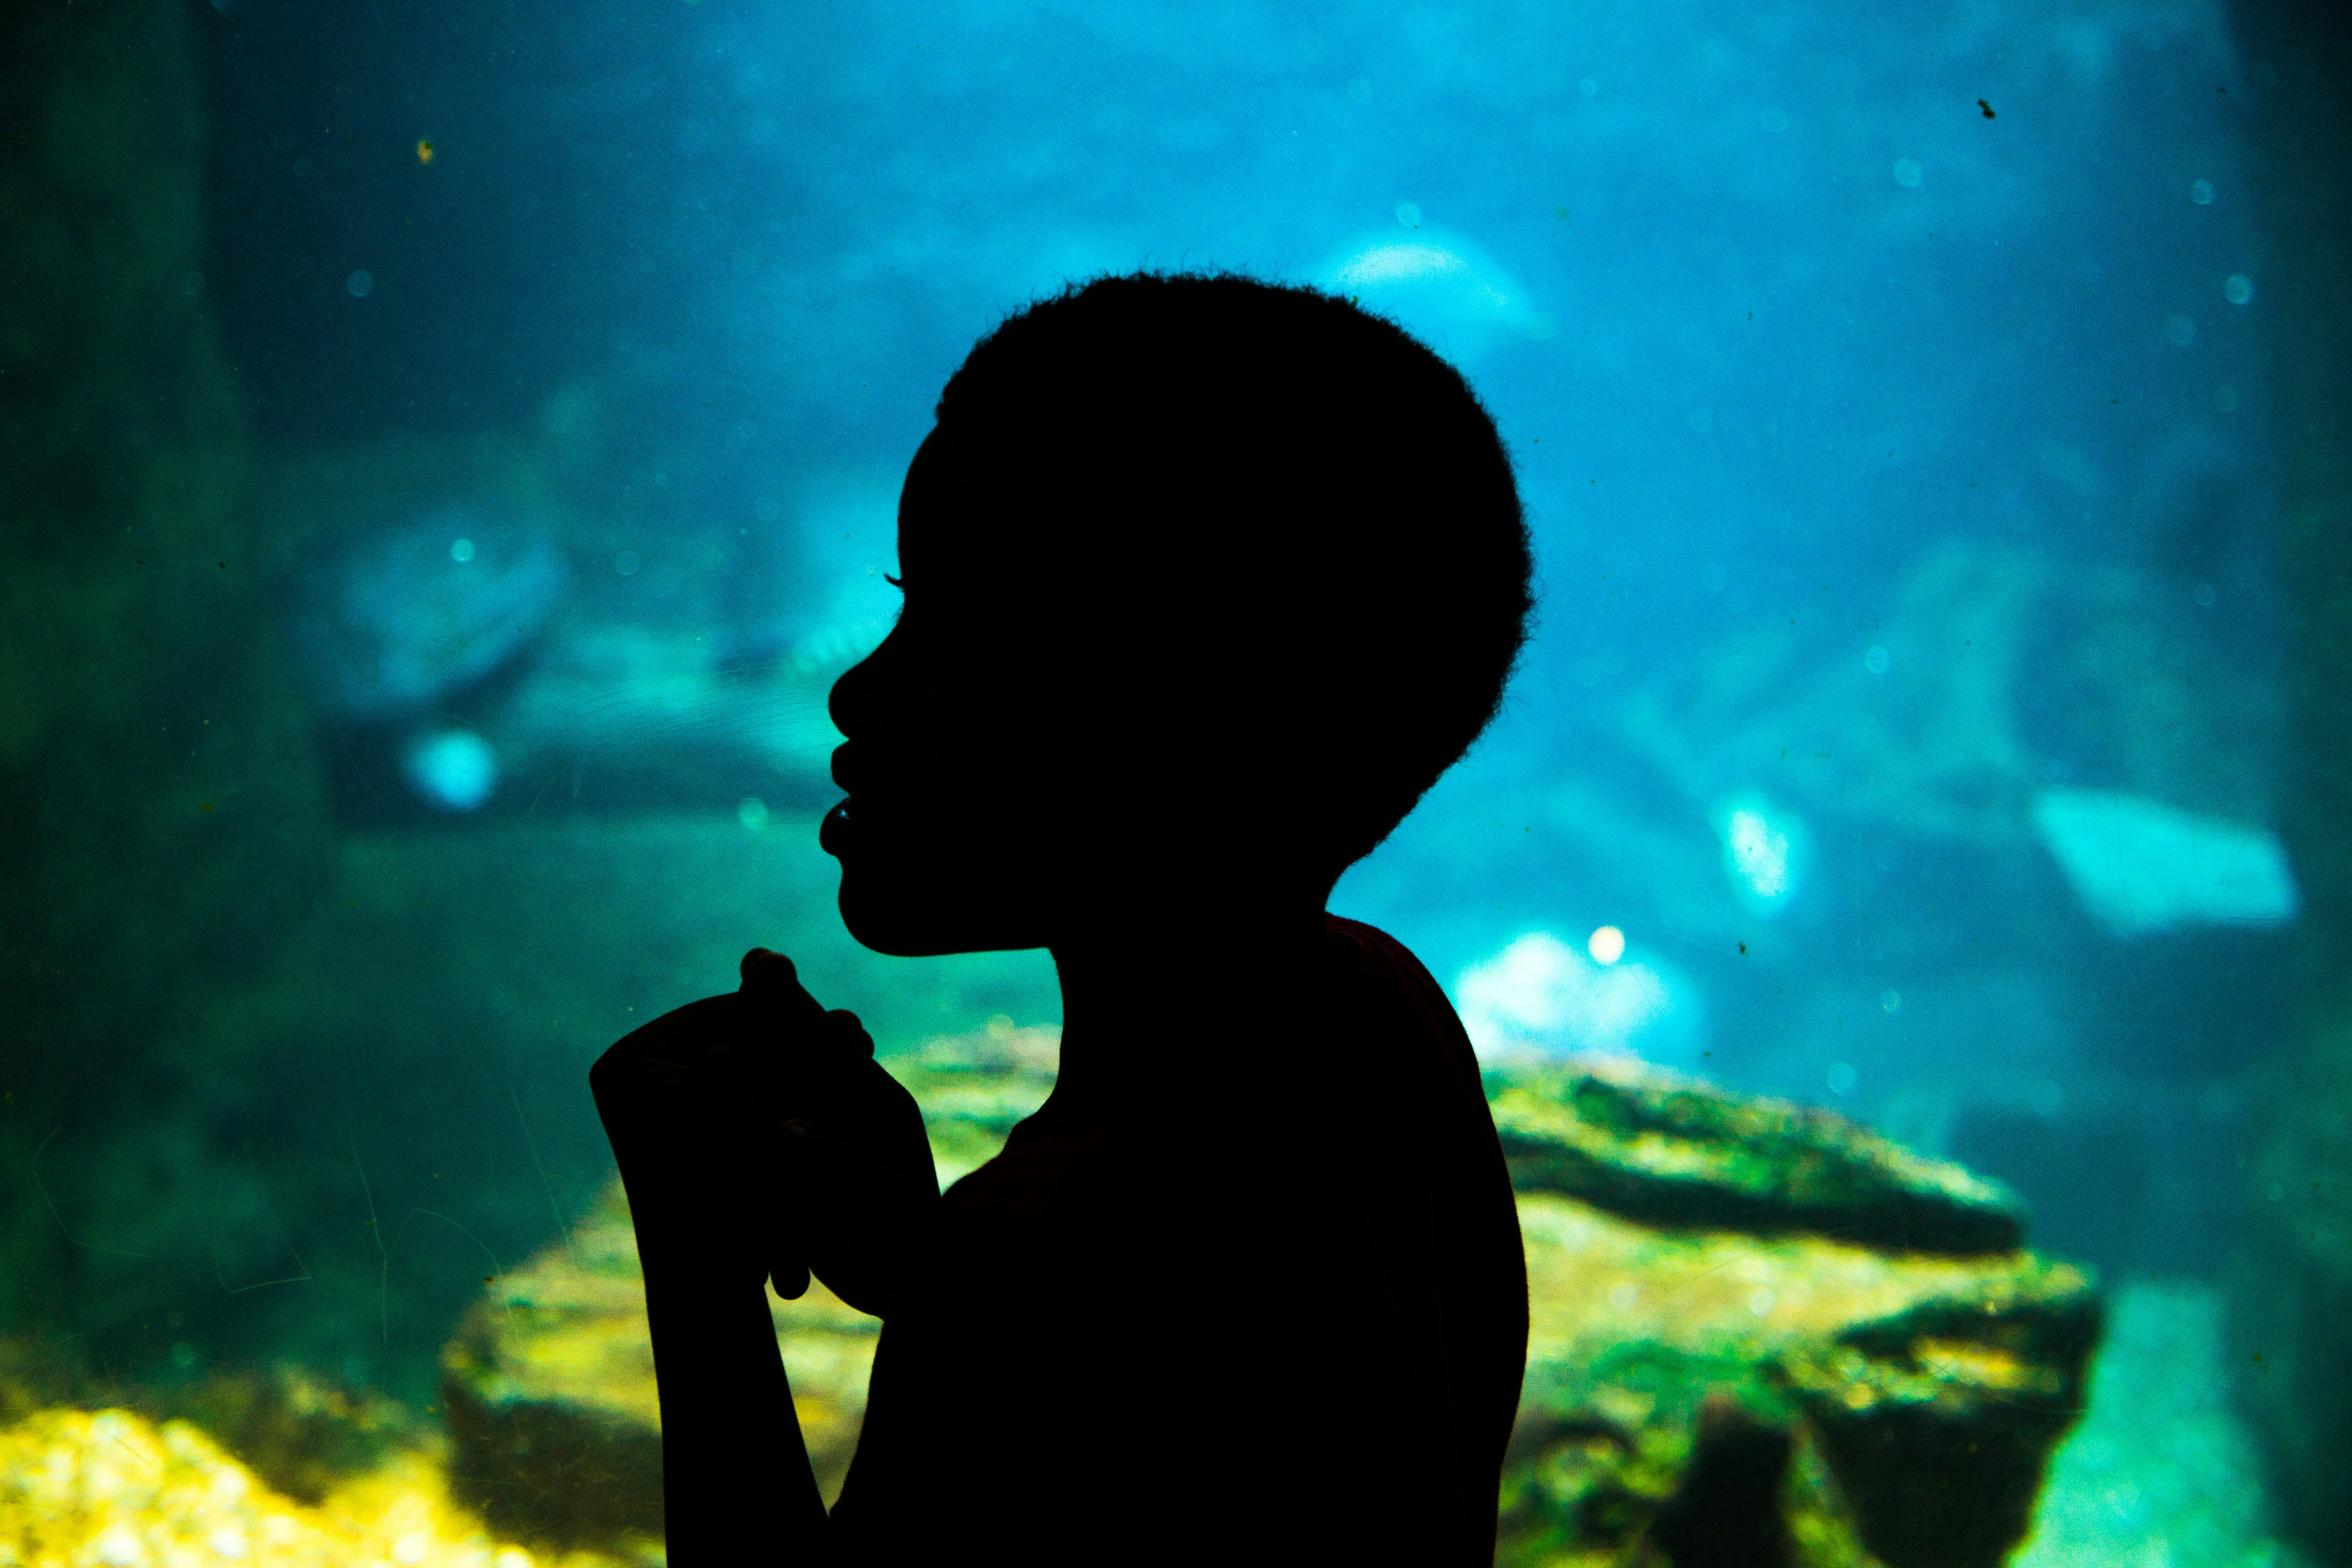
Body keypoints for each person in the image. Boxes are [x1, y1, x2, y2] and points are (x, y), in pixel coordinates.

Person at [590, 272, 1536, 1565]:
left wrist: (698, 1251)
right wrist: (929, 1269)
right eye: (898, 602)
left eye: (961, 638)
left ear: (1190, 726)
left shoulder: (1048, 1248)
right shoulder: (1380, 1023)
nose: (860, 690)